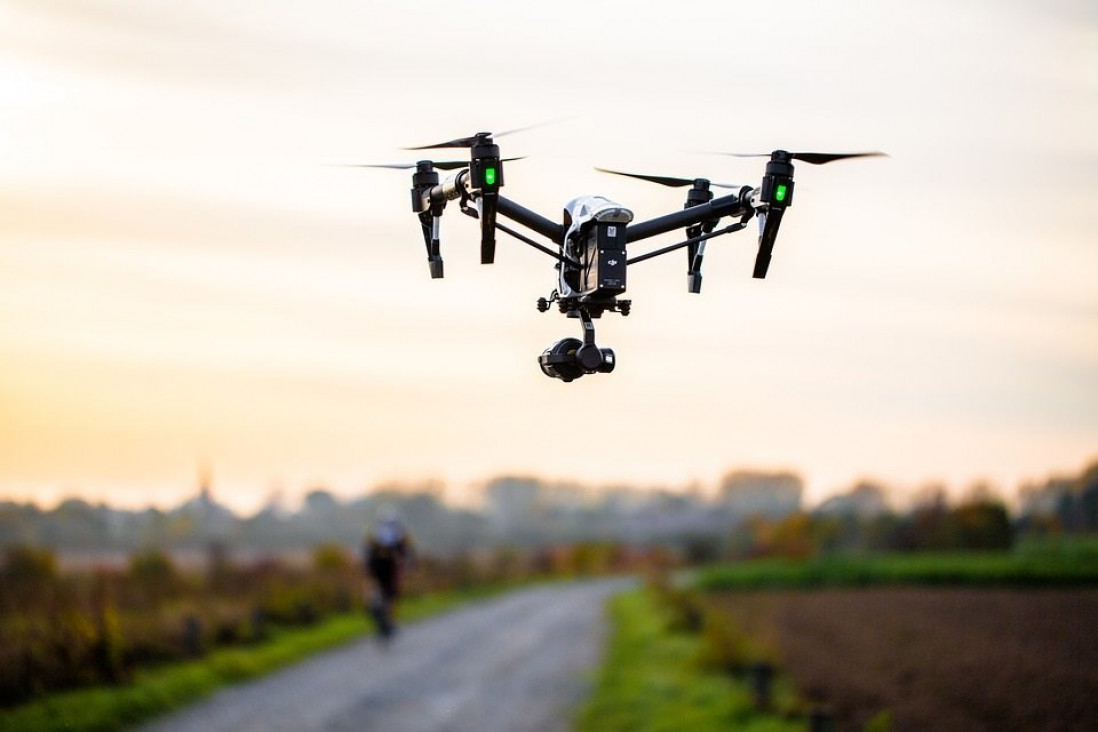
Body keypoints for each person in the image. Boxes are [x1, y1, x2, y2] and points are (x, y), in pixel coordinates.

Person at [363, 505, 414, 638]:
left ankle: (377, 609)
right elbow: (407, 553)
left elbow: (368, 552)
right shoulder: (400, 534)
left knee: (379, 590)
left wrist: (367, 567)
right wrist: (409, 567)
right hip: (391, 568)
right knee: (392, 596)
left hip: (378, 567)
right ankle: (390, 621)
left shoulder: (374, 532)